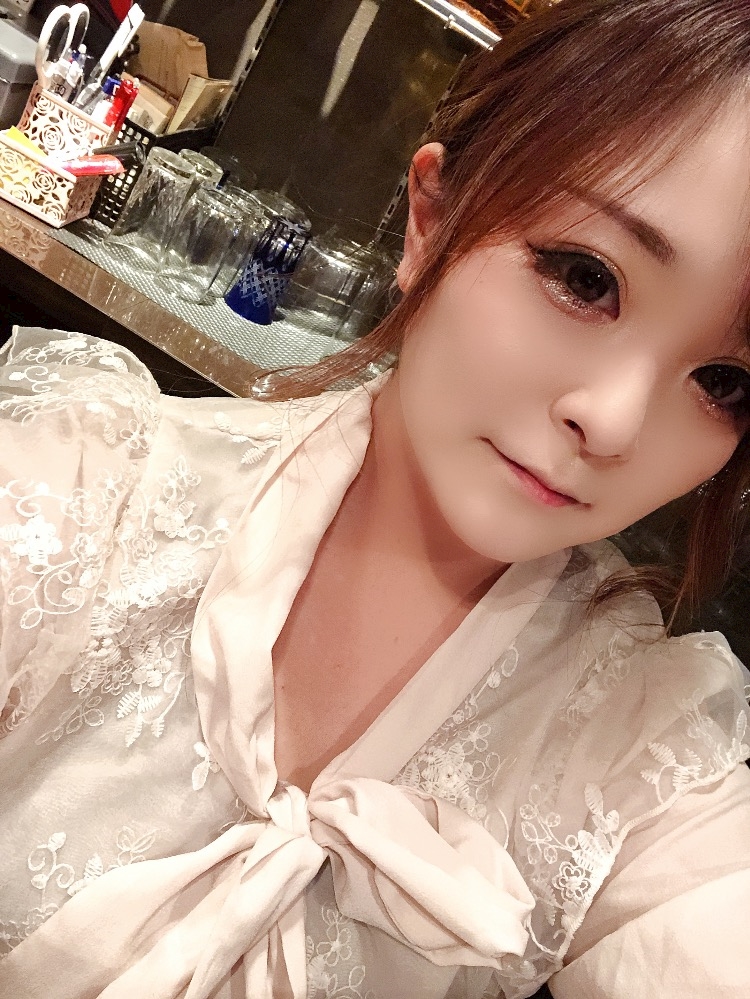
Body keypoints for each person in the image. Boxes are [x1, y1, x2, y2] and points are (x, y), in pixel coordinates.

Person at [1, 0, 750, 995]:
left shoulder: (640, 753)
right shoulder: (79, 487)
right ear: (431, 220)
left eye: (724, 383)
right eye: (585, 277)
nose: (612, 421)